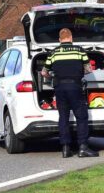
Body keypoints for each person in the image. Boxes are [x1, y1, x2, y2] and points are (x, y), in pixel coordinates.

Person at [41, 28, 98, 159]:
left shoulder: (53, 53)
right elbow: (88, 70)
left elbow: (44, 72)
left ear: (60, 40)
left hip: (60, 87)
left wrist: (52, 76)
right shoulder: (79, 50)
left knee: (63, 117)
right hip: (75, 86)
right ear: (71, 38)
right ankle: (83, 147)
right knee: (81, 117)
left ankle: (65, 149)